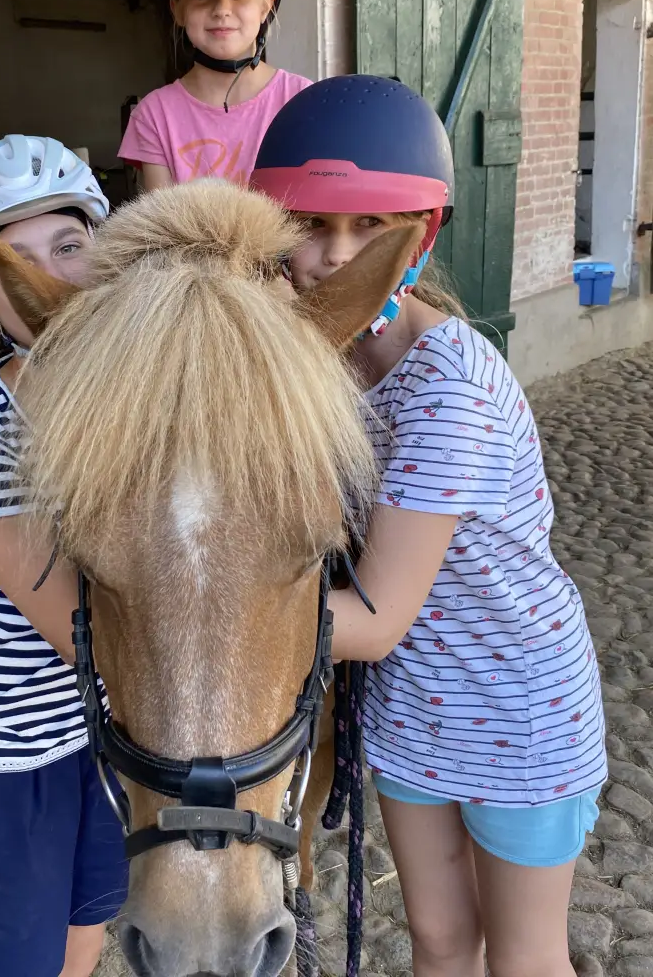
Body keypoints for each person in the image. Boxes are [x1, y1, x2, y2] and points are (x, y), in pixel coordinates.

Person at [251, 77, 607, 977]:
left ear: (423, 235)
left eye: (370, 226)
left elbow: (374, 620)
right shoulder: (315, 363)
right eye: (310, 224)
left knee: (525, 959)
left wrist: (212, 617)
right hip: (414, 707)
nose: (336, 255)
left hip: (517, 708)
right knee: (441, 943)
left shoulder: (449, 388)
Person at [0, 135, 128, 977]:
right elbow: (86, 634)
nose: (55, 279)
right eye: (17, 263)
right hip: (12, 758)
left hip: (103, 738)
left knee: (86, 932)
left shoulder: (127, 403)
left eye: (70, 246)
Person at [118, 0, 311, 191]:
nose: (222, 9)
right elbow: (162, 218)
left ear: (267, 3)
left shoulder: (304, 102)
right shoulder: (154, 115)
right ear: (177, 10)